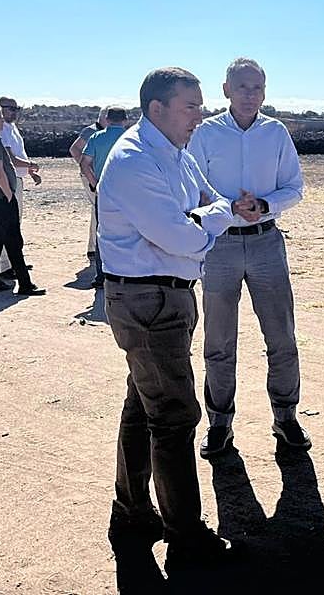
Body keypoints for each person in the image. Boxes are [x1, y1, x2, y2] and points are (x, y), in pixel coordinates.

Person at [97, 67, 253, 582]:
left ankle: (131, 514)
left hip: (166, 297)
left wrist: (203, 220)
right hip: (147, 301)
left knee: (144, 407)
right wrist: (206, 222)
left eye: (200, 106)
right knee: (174, 417)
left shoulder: (175, 153)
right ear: (156, 108)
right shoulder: (134, 160)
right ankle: (186, 539)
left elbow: (212, 205)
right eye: (191, 106)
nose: (200, 116)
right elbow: (181, 237)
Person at [186, 58, 309, 458]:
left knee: (281, 336)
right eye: (242, 87)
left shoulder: (276, 133)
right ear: (226, 90)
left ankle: (286, 417)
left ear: (265, 91)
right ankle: (219, 423)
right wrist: (229, 208)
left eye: (257, 88)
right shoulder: (205, 133)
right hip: (219, 245)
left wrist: (264, 204)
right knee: (219, 340)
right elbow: (193, 187)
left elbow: (294, 187)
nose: (250, 95)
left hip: (265, 242)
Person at [0, 105, 45, 296]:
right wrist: (9, 195)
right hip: (0, 197)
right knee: (13, 240)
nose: (2, 119)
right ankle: (25, 284)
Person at [78, 106, 129, 288]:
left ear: (107, 119)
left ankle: (101, 275)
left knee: (103, 232)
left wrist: (94, 183)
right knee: (128, 232)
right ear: (125, 120)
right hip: (127, 192)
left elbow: (84, 164)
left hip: (104, 192)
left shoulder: (96, 137)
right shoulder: (130, 137)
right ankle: (124, 271)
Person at [0, 96, 41, 278]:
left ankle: (14, 261)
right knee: (8, 223)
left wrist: (29, 171)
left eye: (17, 109)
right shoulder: (2, 129)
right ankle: (4, 266)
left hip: (17, 178)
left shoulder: (12, 128)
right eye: (11, 108)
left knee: (15, 223)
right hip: (9, 179)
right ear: (0, 109)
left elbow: (18, 154)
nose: (15, 112)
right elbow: (10, 158)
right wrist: (30, 165)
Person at [70, 107, 108, 263]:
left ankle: (93, 247)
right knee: (98, 208)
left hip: (97, 175)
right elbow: (74, 149)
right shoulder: (90, 131)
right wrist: (87, 168)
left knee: (97, 209)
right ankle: (94, 247)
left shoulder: (103, 132)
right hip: (91, 176)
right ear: (103, 118)